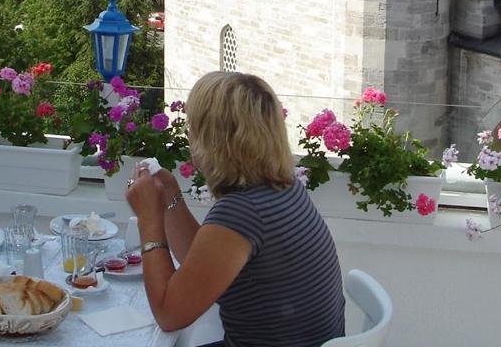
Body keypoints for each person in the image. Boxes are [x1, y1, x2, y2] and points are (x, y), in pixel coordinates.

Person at [125, 71, 345, 347]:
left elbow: (169, 314)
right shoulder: (283, 189)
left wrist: (149, 219)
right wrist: (170, 194)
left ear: (213, 141)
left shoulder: (243, 213)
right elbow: (204, 265)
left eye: (192, 127)